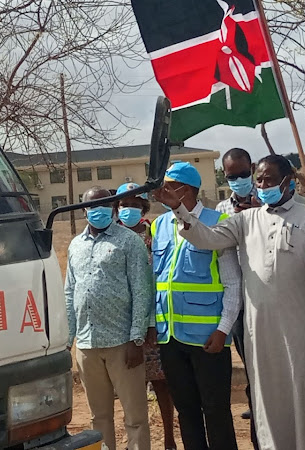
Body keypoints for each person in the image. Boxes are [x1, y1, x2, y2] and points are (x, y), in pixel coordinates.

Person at [154, 155, 305, 450]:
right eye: (259, 180)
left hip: (303, 325)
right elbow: (205, 239)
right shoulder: (244, 220)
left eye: (269, 179)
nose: (262, 185)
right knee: (268, 399)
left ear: (288, 181)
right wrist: (179, 209)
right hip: (261, 328)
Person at [150, 162, 240, 450]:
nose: (161, 192)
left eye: (167, 186)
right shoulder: (159, 224)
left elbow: (233, 283)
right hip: (171, 336)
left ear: (184, 189)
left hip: (208, 338)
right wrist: (155, 325)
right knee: (186, 411)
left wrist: (224, 329)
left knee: (215, 410)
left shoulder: (218, 221)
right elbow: (158, 280)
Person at [65, 186, 152, 450]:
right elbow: (70, 292)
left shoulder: (129, 241)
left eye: (104, 205)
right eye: (92, 206)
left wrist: (136, 339)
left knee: (135, 416)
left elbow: (141, 289)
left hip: (122, 343)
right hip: (87, 345)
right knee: (98, 417)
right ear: (84, 210)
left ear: (113, 208)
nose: (98, 210)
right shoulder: (75, 245)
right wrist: (69, 339)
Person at [115, 182, 178, 450]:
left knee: (162, 385)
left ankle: (169, 438)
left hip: (153, 322)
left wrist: (151, 323)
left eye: (134, 204)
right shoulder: (112, 235)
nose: (129, 208)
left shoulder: (153, 234)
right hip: (121, 323)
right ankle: (137, 442)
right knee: (131, 390)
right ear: (117, 208)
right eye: (124, 204)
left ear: (143, 207)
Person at [214, 148, 258, 450]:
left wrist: (256, 212)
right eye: (233, 177)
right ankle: (256, 406)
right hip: (239, 300)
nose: (239, 180)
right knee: (249, 362)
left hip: (269, 297)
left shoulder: (269, 200)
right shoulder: (222, 208)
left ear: (252, 169)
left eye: (244, 174)